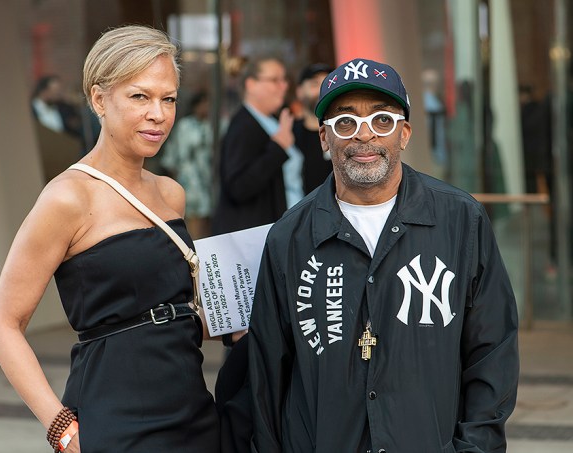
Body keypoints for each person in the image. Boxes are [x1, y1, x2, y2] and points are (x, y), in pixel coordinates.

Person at [248, 58, 519, 452]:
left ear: (404, 133)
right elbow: (267, 373)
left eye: (382, 120)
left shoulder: (460, 220)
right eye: (345, 122)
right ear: (324, 138)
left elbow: (492, 351)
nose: (364, 137)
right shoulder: (290, 237)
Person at [0, 25, 220, 453]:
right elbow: (2, 324)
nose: (158, 113)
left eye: (168, 98)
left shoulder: (171, 193)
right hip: (113, 420)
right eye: (140, 96)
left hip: (193, 411)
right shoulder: (67, 198)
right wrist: (61, 427)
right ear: (99, 99)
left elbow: (174, 310)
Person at [212, 56, 302, 235]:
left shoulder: (271, 121)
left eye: (284, 80)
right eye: (275, 80)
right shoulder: (243, 126)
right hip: (256, 239)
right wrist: (278, 148)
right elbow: (238, 187)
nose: (283, 86)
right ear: (251, 84)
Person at [161, 91, 215, 239]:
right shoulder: (185, 125)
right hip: (189, 177)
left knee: (207, 216)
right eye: (204, 104)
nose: (207, 107)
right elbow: (175, 153)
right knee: (192, 215)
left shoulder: (213, 125)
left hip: (207, 177)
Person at [293, 63, 334, 193]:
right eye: (314, 84)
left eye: (328, 83)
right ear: (299, 92)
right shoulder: (289, 135)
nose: (322, 91)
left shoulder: (344, 130)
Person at [31, 74, 83, 140]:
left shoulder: (63, 107)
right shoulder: (31, 110)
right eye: (55, 92)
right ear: (44, 91)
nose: (58, 95)